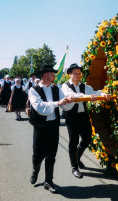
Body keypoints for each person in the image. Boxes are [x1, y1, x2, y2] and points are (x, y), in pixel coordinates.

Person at [28, 64, 73, 193]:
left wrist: (70, 99)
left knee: (51, 155)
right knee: (37, 155)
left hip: (53, 126)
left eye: (53, 74)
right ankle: (35, 171)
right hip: (40, 127)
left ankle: (49, 181)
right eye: (52, 74)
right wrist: (57, 103)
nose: (54, 75)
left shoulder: (56, 88)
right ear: (44, 76)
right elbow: (40, 108)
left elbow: (65, 101)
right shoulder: (34, 90)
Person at [62, 63, 110, 178]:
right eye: (75, 73)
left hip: (83, 116)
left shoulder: (85, 86)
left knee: (87, 138)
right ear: (70, 74)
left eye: (79, 73)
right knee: (73, 142)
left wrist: (103, 94)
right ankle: (74, 167)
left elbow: (95, 92)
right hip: (72, 117)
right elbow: (72, 95)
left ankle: (77, 157)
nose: (78, 75)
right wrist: (88, 96)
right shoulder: (65, 86)